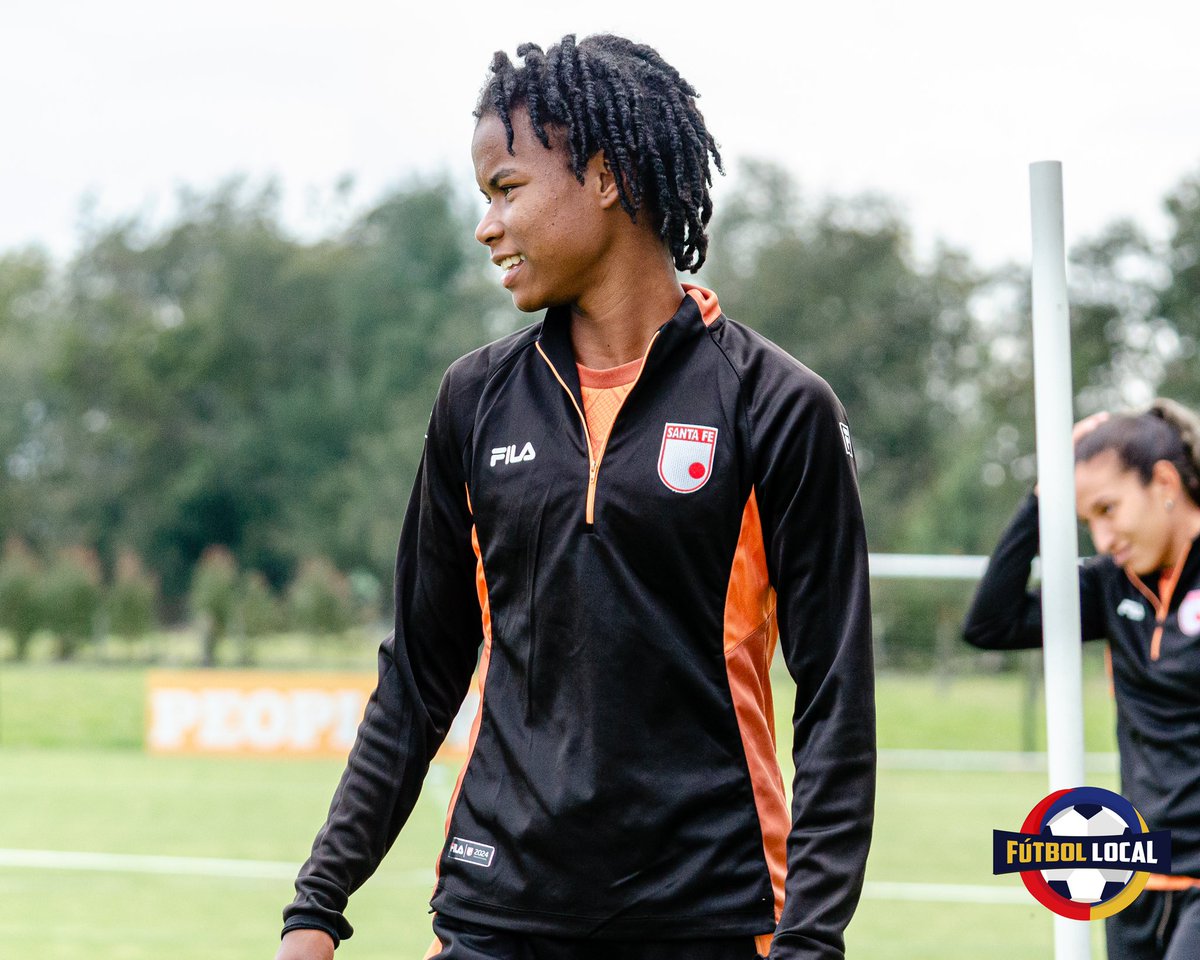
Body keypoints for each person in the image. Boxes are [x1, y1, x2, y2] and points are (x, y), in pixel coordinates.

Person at [277, 34, 874, 960]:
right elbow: (420, 673)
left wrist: (811, 943)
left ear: (603, 175)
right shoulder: (472, 400)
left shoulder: (776, 405)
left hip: (710, 917)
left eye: (507, 188)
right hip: (494, 913)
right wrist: (318, 908)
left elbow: (835, 701)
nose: (487, 226)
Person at [963, 398, 1200, 959]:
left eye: (1108, 509)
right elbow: (989, 623)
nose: (1101, 538)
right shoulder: (1112, 584)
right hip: (1140, 875)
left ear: (1163, 481)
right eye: (1086, 519)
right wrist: (1041, 497)